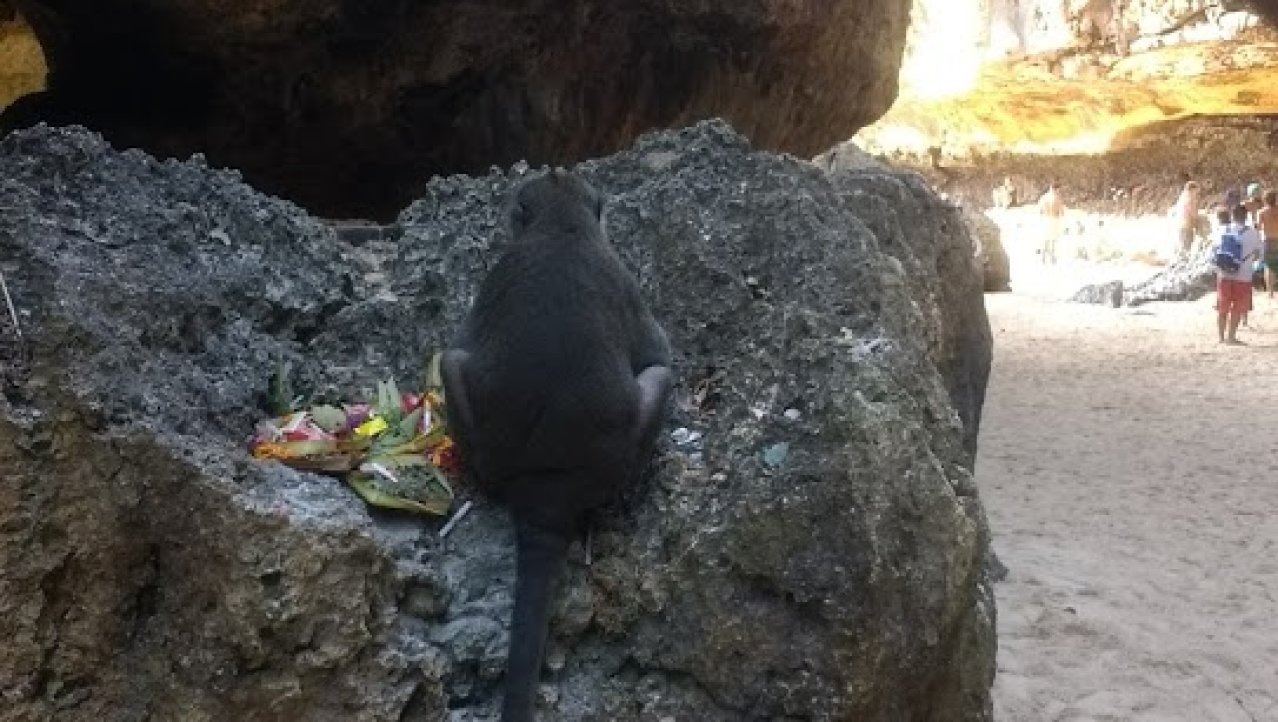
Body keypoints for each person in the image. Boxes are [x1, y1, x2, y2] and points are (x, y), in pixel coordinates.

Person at [1214, 204, 1264, 345]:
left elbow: (1215, 249)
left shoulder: (1223, 230)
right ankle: (1231, 337)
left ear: (1232, 215)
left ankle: (1220, 337)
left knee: (1222, 306)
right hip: (1243, 275)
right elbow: (1260, 253)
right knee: (1237, 307)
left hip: (1223, 274)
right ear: (1246, 217)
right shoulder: (1253, 233)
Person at [1171, 181, 1201, 258]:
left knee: (1182, 248)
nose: (1197, 194)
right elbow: (1193, 214)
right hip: (1187, 227)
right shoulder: (1190, 200)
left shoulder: (1182, 198)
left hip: (1180, 226)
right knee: (1186, 249)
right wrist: (1198, 222)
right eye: (1196, 191)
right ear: (1192, 190)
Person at [1037, 182, 1065, 264]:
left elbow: (1039, 210)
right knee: (1053, 240)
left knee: (1045, 239)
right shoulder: (1057, 198)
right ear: (1056, 189)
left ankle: (1043, 258)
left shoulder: (1044, 197)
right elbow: (1061, 211)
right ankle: (1052, 257)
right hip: (1054, 219)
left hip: (1045, 219)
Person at [1260, 189, 1278, 300]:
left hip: (1268, 240)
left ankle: (1270, 292)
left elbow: (1257, 226)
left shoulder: (1261, 212)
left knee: (1268, 266)